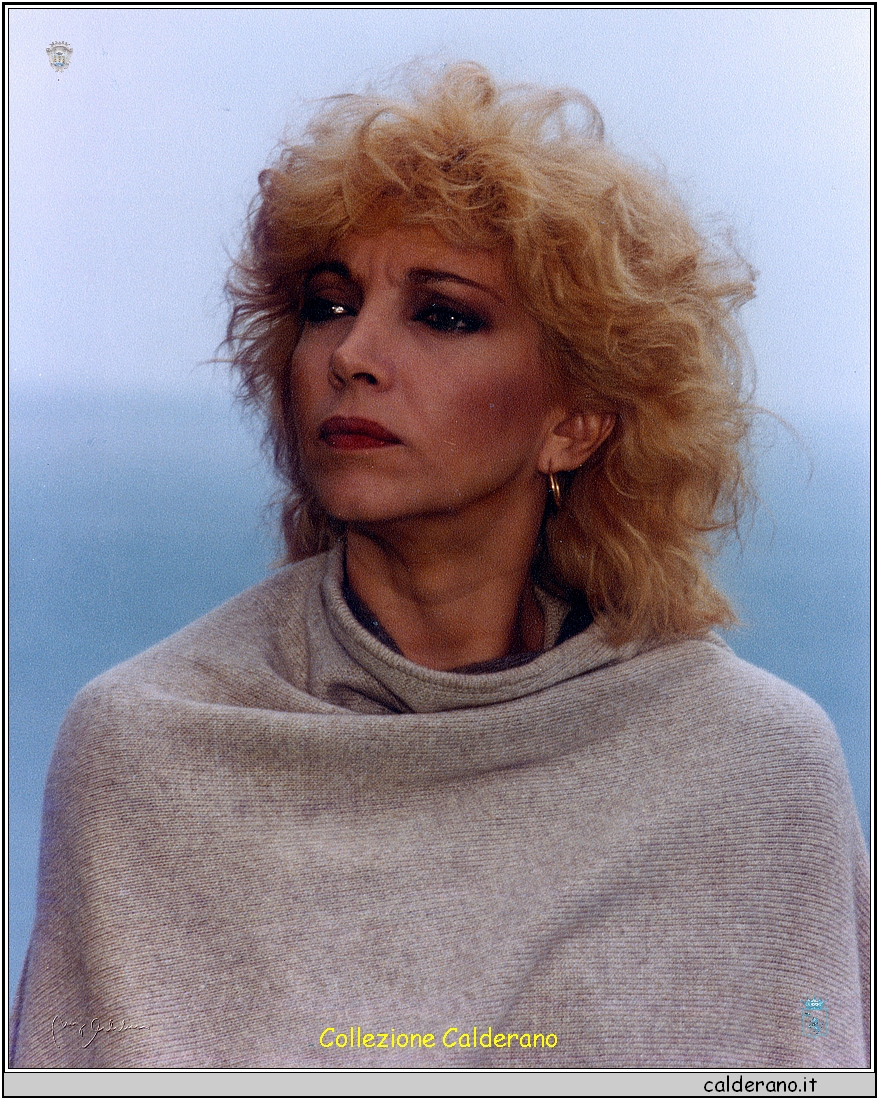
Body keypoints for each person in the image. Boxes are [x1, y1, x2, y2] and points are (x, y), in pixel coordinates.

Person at [11, 62, 868, 1069]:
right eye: (328, 305)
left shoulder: (753, 767)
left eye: (443, 315)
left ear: (576, 421)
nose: (353, 354)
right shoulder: (142, 745)